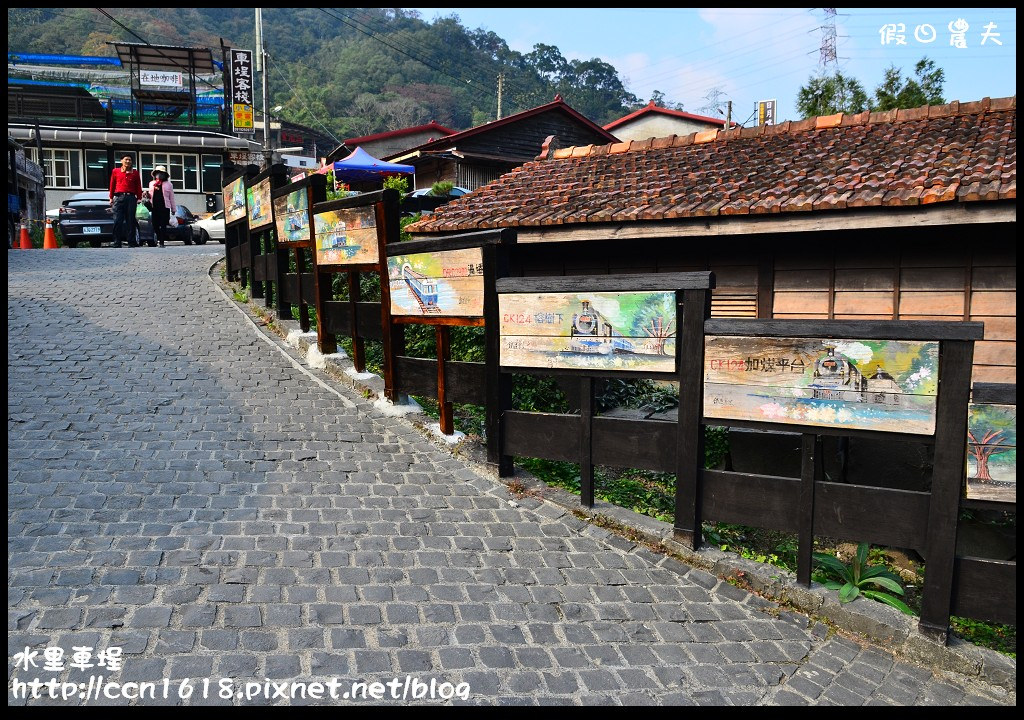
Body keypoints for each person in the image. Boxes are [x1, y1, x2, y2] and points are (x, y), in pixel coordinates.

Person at [108, 155, 142, 247]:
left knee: (130, 220)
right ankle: (116, 242)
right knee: (117, 220)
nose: (128, 161)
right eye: (126, 159)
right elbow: (112, 184)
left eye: (130, 160)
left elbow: (138, 186)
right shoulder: (116, 171)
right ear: (121, 161)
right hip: (119, 197)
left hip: (131, 198)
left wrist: (139, 198)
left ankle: (131, 241)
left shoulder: (135, 173)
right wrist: (111, 197)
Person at [146, 165, 177, 248]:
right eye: (158, 173)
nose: (159, 175)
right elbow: (150, 195)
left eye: (161, 173)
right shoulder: (151, 183)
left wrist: (173, 209)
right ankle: (160, 238)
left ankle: (162, 242)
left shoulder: (169, 184)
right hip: (154, 207)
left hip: (165, 207)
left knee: (163, 224)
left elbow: (171, 197)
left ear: (165, 175)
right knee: (155, 224)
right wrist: (146, 195)